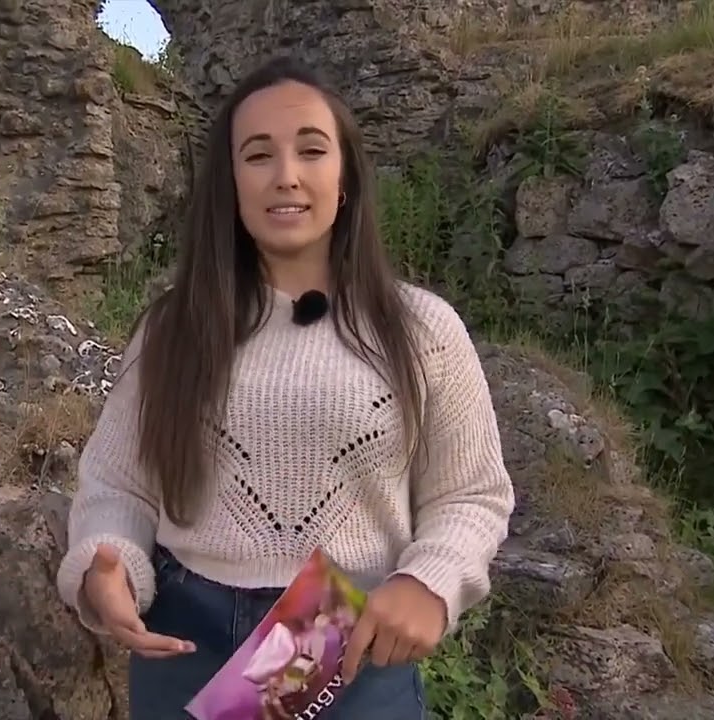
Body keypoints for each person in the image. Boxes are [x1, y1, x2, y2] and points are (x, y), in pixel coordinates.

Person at [55, 54, 515, 719]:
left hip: (348, 648)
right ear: (230, 182)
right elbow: (116, 484)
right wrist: (110, 565)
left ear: (347, 175)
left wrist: (430, 581)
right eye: (258, 154)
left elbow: (472, 493)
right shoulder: (172, 329)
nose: (287, 176)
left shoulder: (424, 331)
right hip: (189, 648)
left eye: (311, 149)